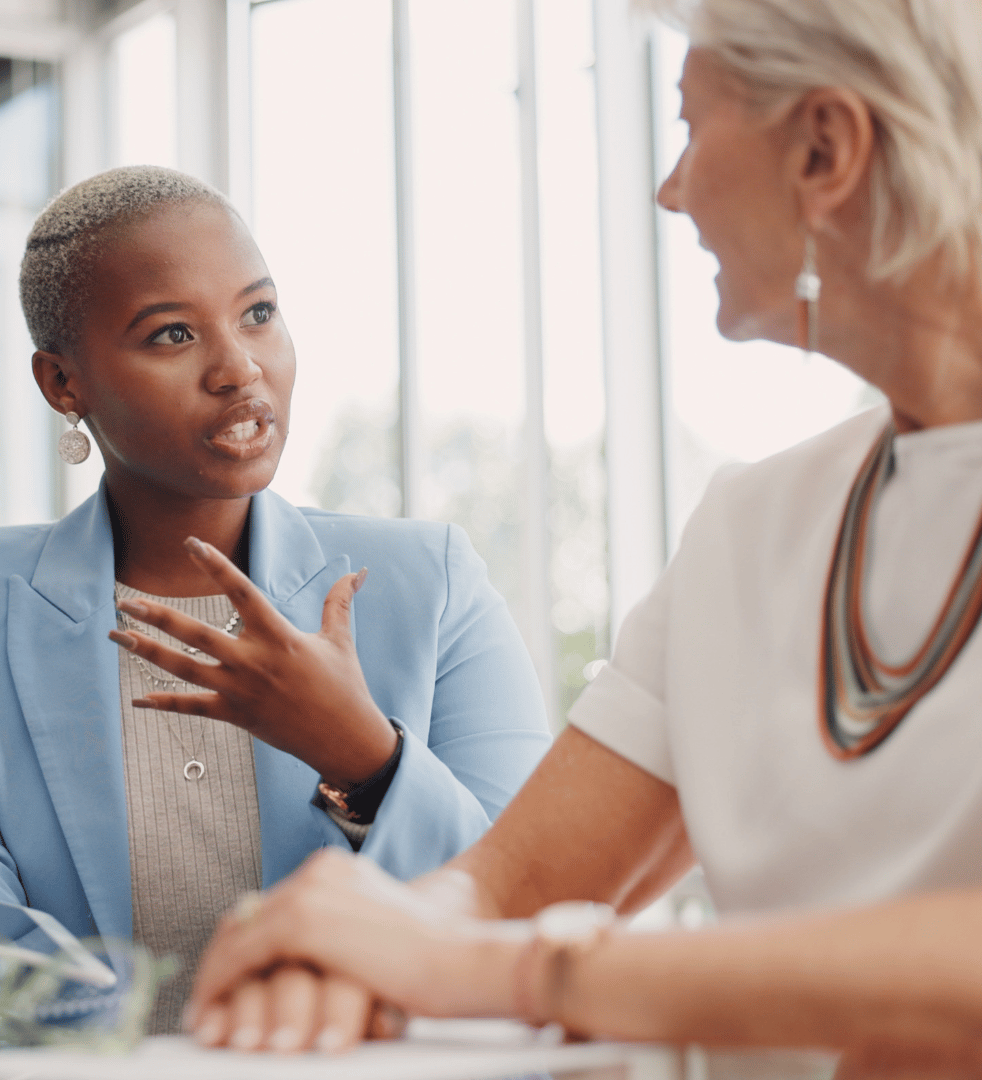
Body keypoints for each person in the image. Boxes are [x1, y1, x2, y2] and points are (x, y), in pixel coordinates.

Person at [180, 0, 982, 1065]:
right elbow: (514, 882)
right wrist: (355, 946)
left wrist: (516, 971)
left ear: (826, 148)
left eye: (691, 128)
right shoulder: (753, 525)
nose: (670, 189)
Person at [0, 165, 551, 1034]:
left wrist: (366, 758)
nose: (240, 367)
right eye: (172, 335)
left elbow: (532, 908)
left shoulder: (430, 582)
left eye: (259, 313)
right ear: (64, 384)